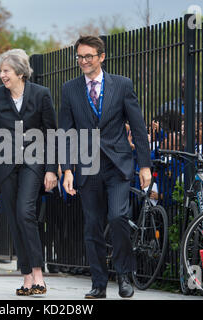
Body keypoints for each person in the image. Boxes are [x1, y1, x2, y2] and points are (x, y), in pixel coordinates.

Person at [59, 36, 151, 299]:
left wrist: (145, 165)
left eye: (89, 56)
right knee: (92, 225)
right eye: (80, 56)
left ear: (102, 57)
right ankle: (99, 283)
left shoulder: (122, 85)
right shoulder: (69, 89)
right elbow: (65, 133)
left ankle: (123, 275)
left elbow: (139, 126)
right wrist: (66, 169)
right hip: (87, 167)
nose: (83, 61)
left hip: (118, 165)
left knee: (118, 217)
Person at [0, 48, 58, 296]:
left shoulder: (41, 94)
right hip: (4, 166)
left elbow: (52, 133)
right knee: (14, 219)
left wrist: (52, 170)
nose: (2, 75)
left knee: (25, 212)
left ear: (20, 72)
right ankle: (26, 277)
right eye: (1, 70)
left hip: (34, 163)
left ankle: (38, 274)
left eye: (6, 70)